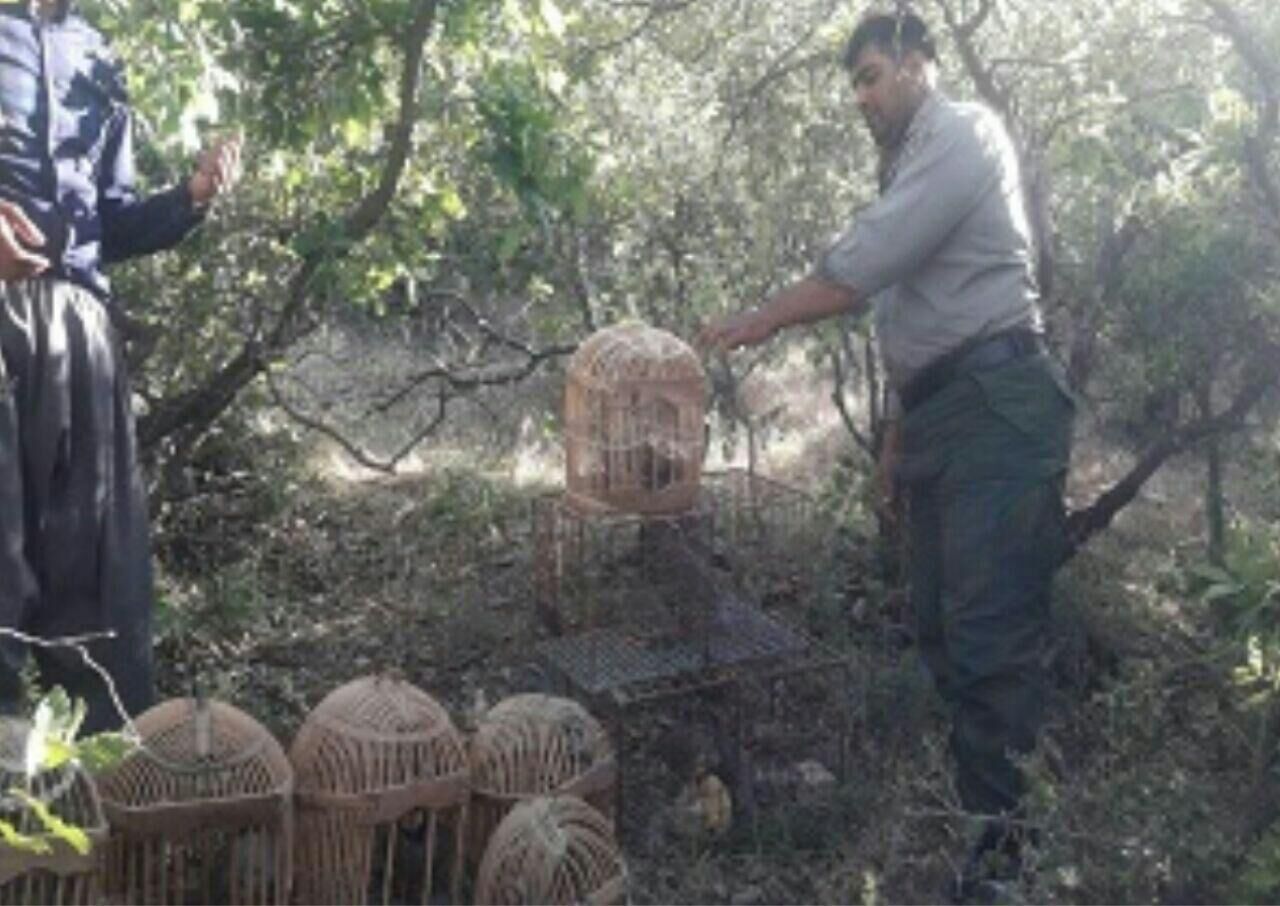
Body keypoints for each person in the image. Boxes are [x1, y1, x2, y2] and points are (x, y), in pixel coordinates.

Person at [700, 9, 1074, 900]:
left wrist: (755, 322)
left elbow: (865, 266)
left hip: (998, 408)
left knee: (988, 641)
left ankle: (1005, 868)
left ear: (915, 62)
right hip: (950, 412)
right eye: (856, 84)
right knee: (947, 631)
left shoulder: (962, 133)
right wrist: (899, 441)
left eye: (871, 76)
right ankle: (986, 830)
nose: (863, 98)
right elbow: (918, 315)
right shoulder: (910, 160)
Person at [0, 0, 241, 733]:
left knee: (98, 578)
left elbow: (112, 222)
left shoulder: (98, 56)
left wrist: (190, 199)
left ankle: (101, 799)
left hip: (80, 330)